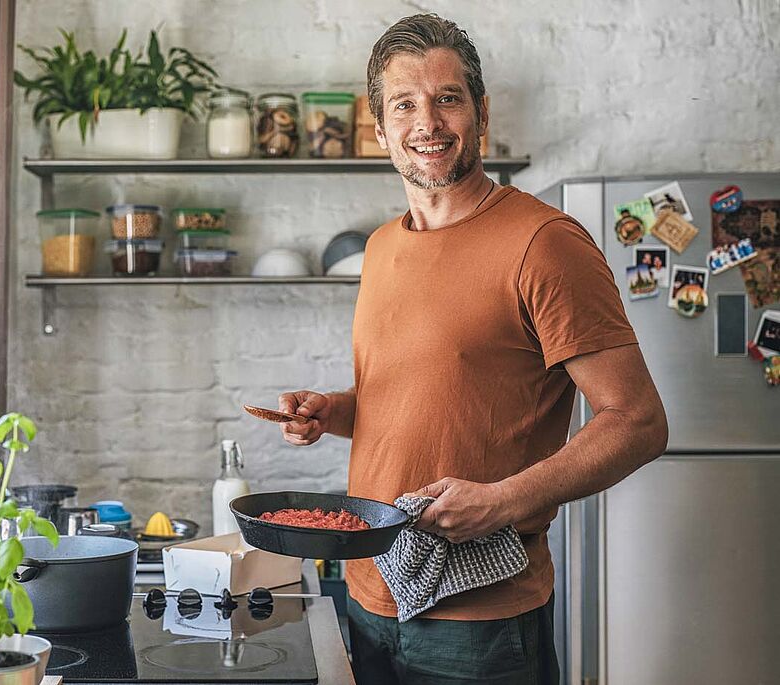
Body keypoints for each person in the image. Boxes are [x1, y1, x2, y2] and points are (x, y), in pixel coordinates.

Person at [276, 14, 667, 684]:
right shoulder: (379, 248)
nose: (427, 123)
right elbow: (416, 393)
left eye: (447, 98)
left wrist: (505, 499)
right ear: (380, 128)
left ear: (480, 112)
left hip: (479, 625)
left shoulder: (545, 242)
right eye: (405, 104)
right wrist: (333, 410)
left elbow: (638, 421)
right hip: (368, 594)